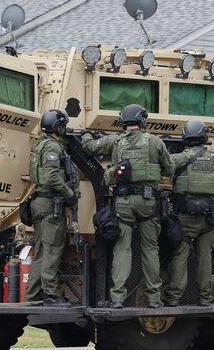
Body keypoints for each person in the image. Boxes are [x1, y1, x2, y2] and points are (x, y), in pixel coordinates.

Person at [81, 104, 173, 309]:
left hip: (123, 202)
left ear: (123, 122)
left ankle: (117, 299)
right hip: (149, 202)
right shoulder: (155, 142)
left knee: (122, 249)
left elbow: (91, 147)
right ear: (142, 121)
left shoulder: (116, 141)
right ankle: (154, 299)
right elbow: (169, 168)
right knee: (150, 249)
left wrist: (87, 134)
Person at [163, 121, 214, 307]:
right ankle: (205, 298)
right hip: (209, 217)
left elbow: (164, 173)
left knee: (180, 254)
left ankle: (173, 298)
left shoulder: (179, 159)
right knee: (205, 257)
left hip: (186, 217)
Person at [24, 109, 77, 306]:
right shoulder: (53, 148)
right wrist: (69, 194)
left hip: (40, 203)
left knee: (41, 251)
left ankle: (32, 294)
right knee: (52, 250)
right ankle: (51, 294)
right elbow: (52, 176)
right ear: (59, 126)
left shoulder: (40, 145)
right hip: (50, 204)